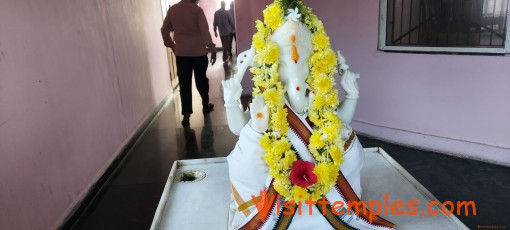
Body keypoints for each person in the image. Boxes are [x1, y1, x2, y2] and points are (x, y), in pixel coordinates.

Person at [161, 0, 216, 127]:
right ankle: (205, 105)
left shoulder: (173, 10)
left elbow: (164, 30)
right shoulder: (197, 10)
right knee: (201, 81)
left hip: (181, 54)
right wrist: (212, 47)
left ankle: (186, 114)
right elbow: (204, 31)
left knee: (184, 84)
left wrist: (172, 45)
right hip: (198, 53)